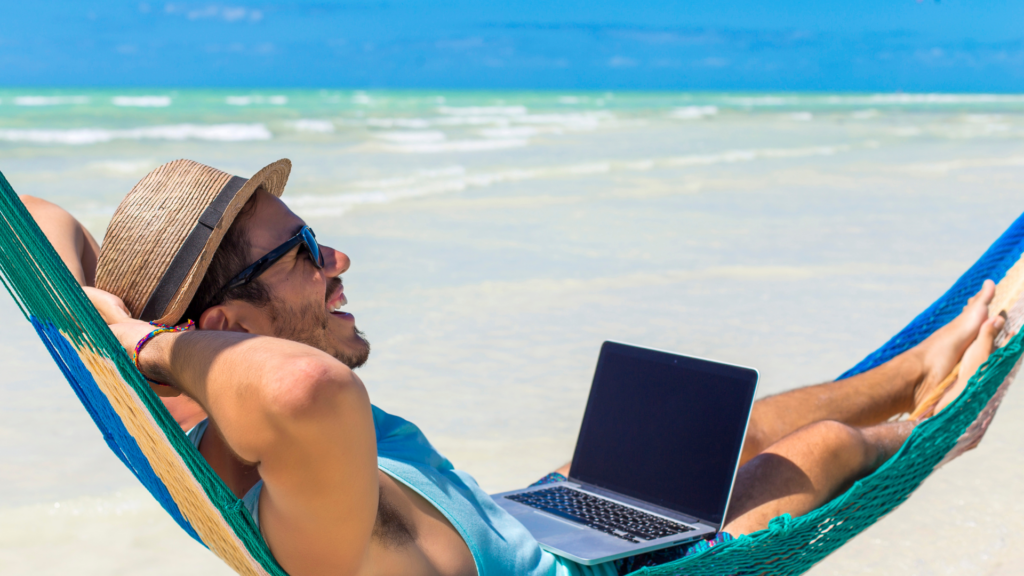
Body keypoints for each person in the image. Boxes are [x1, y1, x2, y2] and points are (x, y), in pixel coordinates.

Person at [21, 158, 1007, 576]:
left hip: (528, 514)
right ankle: (943, 409)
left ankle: (916, 362)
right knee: (821, 449)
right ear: (226, 320)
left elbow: (39, 223)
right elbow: (306, 389)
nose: (338, 263)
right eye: (305, 249)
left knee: (715, 425)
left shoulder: (189, 413)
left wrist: (106, 324)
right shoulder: (311, 512)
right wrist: (149, 348)